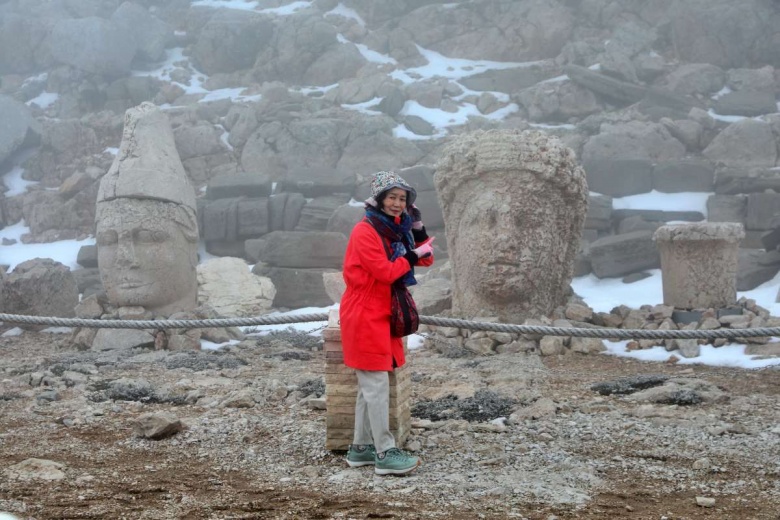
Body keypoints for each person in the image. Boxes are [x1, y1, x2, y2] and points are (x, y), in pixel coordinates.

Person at [339, 171, 435, 476]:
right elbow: (385, 271)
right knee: (376, 383)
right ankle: (385, 452)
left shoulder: (396, 230)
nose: (397, 203)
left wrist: (417, 231)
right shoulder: (365, 231)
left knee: (369, 385)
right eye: (391, 197)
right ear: (379, 199)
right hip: (365, 312)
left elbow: (427, 259)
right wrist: (412, 254)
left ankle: (360, 448)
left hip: (383, 311)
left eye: (402, 199)